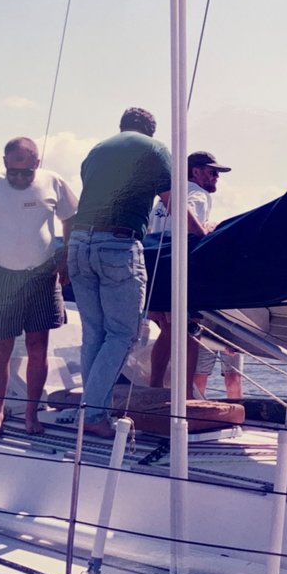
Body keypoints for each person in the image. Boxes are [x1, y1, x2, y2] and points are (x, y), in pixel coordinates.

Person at [68, 107, 205, 438]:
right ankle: (95, 415)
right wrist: (202, 233)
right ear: (151, 131)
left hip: (77, 246)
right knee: (122, 334)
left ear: (121, 127)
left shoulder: (96, 151)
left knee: (94, 334)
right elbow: (173, 203)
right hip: (117, 245)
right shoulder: (154, 150)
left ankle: (90, 410)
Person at [0, 136, 78, 442]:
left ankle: (30, 413)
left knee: (38, 348)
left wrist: (66, 256)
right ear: (5, 163)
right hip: (2, 276)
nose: (19, 178)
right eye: (13, 171)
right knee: (0, 348)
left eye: (26, 172)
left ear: (37, 165)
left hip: (42, 276)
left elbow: (71, 220)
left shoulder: (54, 182)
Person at [146, 151, 231, 395]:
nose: (217, 177)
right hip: (178, 266)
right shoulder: (198, 193)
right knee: (188, 331)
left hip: (156, 268)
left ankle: (154, 387)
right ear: (196, 171)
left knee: (168, 330)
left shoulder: (164, 198)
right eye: (212, 172)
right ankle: (185, 395)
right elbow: (189, 224)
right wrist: (207, 229)